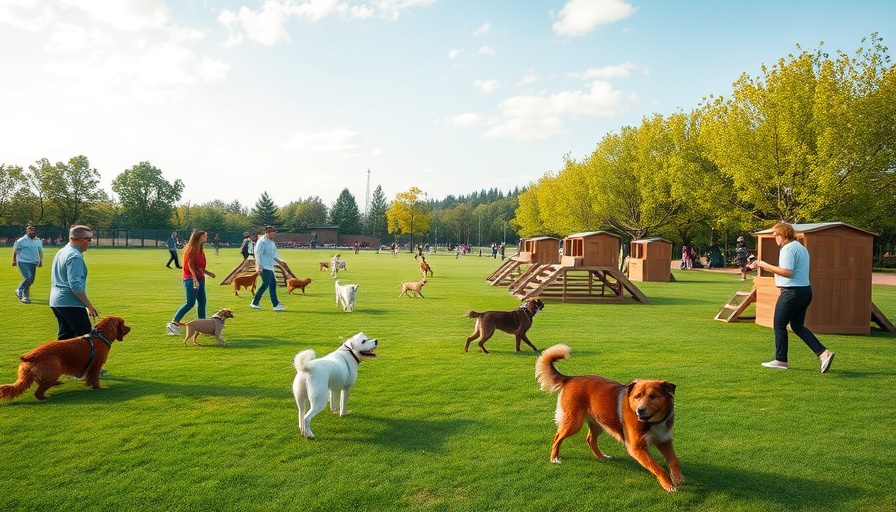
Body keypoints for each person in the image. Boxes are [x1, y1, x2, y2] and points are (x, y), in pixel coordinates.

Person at [749, 221, 835, 373]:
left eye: (775, 234)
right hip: (804, 291)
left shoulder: (788, 249)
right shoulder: (800, 247)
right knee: (797, 325)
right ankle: (824, 353)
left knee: (779, 324)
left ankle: (780, 360)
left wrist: (764, 265)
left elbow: (787, 272)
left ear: (782, 234)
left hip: (792, 292)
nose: (774, 237)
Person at [50, 225, 99, 340]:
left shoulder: (62, 251)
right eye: (89, 239)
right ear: (80, 239)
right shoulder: (75, 256)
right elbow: (75, 286)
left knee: (66, 338)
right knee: (88, 338)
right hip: (70, 302)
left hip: (57, 301)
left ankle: (60, 358)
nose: (90, 242)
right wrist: (89, 306)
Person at [167, 229, 217, 335]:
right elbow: (189, 265)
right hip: (190, 279)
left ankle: (203, 326)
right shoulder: (191, 249)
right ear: (198, 237)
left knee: (202, 302)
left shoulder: (200, 249)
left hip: (200, 279)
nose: (206, 238)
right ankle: (173, 323)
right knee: (190, 303)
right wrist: (194, 279)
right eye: (204, 236)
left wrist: (209, 273)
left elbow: (199, 267)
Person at [251, 226, 286, 311]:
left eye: (274, 234)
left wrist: (280, 261)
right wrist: (259, 266)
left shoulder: (271, 242)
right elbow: (257, 254)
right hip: (263, 266)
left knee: (271, 285)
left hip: (270, 266)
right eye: (272, 234)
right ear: (267, 233)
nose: (273, 235)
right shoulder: (262, 242)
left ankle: (272, 304)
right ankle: (272, 304)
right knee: (266, 284)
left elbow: (274, 254)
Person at [12, 224, 44, 304]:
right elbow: (15, 250)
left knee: (31, 280)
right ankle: (20, 290)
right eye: (31, 231)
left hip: (33, 262)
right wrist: (14, 260)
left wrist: (40, 261)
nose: (32, 232)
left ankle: (25, 296)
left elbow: (40, 251)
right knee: (28, 277)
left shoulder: (38, 241)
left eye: (34, 231)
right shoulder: (21, 240)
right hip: (23, 261)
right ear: (27, 232)